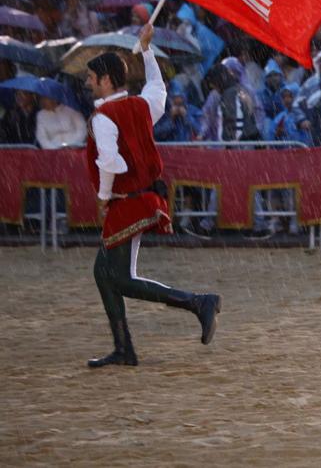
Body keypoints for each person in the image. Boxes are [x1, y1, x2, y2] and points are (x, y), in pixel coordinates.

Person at [84, 23, 220, 367]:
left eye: (92, 77)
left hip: (126, 203)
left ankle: (196, 302)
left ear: (106, 80)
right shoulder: (142, 105)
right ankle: (124, 348)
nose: (87, 83)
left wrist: (102, 197)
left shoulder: (104, 116)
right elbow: (157, 87)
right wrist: (146, 50)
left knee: (121, 279)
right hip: (143, 199)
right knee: (103, 273)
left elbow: (110, 161)